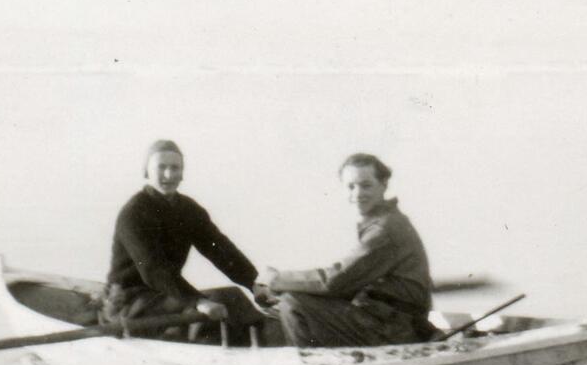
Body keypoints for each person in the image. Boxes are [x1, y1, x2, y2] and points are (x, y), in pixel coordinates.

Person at [255, 153, 435, 347]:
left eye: (366, 185)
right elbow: (345, 282)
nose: (357, 194)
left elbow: (336, 280)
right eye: (351, 186)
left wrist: (276, 280)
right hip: (390, 322)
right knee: (292, 299)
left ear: (383, 185)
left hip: (397, 329)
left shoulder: (385, 229)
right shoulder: (383, 222)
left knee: (293, 304)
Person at [103, 139, 264, 343]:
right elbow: (153, 269)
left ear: (182, 172)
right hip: (129, 301)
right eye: (161, 167)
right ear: (147, 171)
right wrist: (197, 301)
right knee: (211, 308)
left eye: (175, 168)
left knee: (232, 296)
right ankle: (208, 356)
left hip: (167, 294)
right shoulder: (133, 213)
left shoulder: (188, 210)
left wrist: (254, 283)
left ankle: (251, 354)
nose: (169, 175)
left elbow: (220, 249)